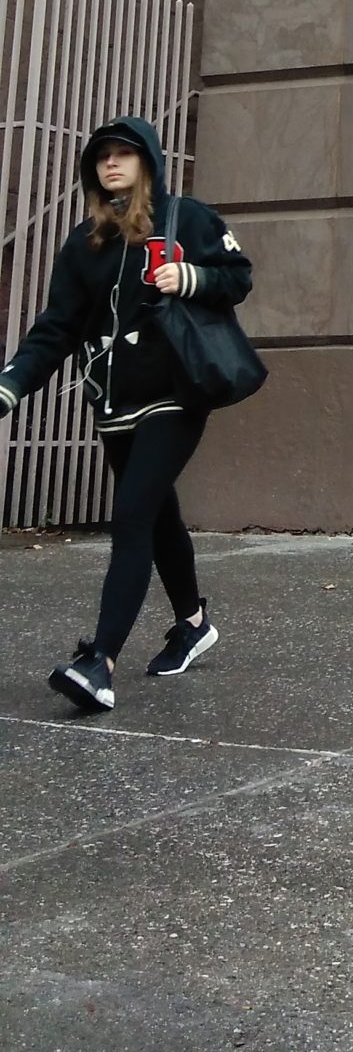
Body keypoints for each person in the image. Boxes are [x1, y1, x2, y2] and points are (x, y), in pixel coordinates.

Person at [0, 114, 252, 712]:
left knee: (133, 516)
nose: (111, 163)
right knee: (158, 516)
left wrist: (189, 276)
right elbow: (55, 329)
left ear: (148, 162)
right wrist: (11, 384)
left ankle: (99, 662)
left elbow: (237, 276)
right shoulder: (84, 243)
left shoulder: (185, 219)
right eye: (102, 156)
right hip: (112, 406)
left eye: (124, 154)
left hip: (176, 393)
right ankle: (193, 622)